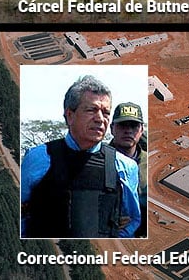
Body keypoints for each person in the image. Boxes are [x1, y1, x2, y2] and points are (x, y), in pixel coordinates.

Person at [21, 75, 140, 238]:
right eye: (91, 110)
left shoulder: (125, 167)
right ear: (70, 115)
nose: (100, 119)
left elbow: (132, 221)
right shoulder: (38, 158)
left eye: (106, 112)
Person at [109, 102, 147, 238]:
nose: (128, 130)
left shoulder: (152, 165)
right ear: (112, 128)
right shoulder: (97, 161)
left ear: (141, 130)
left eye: (134, 126)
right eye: (123, 125)